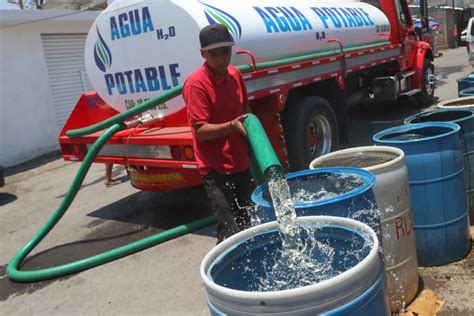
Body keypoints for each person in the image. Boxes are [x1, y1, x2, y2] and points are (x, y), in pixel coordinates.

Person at [183, 23, 254, 244]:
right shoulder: (196, 85)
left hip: (240, 161)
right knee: (229, 227)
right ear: (202, 54)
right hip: (216, 168)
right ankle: (229, 274)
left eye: (226, 52)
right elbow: (201, 132)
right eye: (214, 54)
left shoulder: (234, 74)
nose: (222, 59)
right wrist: (231, 126)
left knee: (248, 219)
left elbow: (246, 111)